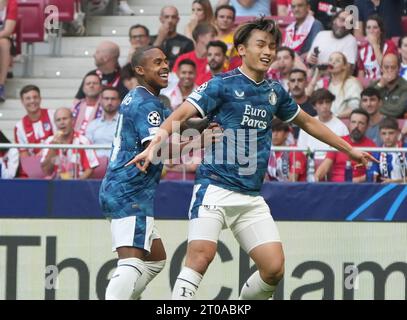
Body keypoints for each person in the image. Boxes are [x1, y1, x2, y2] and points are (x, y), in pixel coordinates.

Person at [127, 17, 376, 300]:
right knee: (201, 257)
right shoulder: (221, 84)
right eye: (261, 45)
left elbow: (309, 123)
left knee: (273, 269)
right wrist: (155, 142)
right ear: (242, 49)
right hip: (215, 187)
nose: (268, 51)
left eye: (272, 45)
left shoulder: (274, 92)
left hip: (250, 197)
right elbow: (181, 114)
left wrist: (349, 149)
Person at [99, 46, 216, 300]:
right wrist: (202, 141)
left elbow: (176, 123)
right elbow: (158, 151)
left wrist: (207, 119)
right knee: (131, 265)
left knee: (155, 260)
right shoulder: (146, 103)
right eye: (156, 63)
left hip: (121, 189)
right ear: (140, 70)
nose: (165, 66)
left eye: (165, 61)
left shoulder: (140, 96)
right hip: (130, 192)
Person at [315, 108, 376, 182]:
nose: (356, 126)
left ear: (367, 126)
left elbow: (373, 173)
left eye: (361, 123)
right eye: (353, 122)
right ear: (349, 124)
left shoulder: (372, 147)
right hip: (335, 187)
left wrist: (352, 182)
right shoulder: (338, 142)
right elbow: (325, 166)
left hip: (359, 188)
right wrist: (316, 178)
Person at [40, 108, 99, 180]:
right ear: (55, 123)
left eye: (65, 119)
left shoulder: (83, 141)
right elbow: (46, 171)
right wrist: (53, 149)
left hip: (78, 183)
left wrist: (76, 183)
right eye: (58, 120)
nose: (62, 122)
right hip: (55, 184)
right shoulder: (49, 142)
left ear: (72, 121)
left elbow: (90, 169)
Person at [14, 85, 56, 158]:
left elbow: (61, 140)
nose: (32, 101)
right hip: (35, 166)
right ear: (22, 101)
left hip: (56, 162)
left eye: (35, 97)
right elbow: (24, 156)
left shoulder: (53, 115)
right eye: (28, 98)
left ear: (40, 99)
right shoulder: (19, 127)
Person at [151, 6, 194, 70]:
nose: (170, 20)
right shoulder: (150, 40)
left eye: (173, 17)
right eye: (166, 17)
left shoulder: (186, 42)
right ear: (161, 19)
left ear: (178, 20)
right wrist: (159, 40)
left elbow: (189, 65)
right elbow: (148, 62)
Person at [357, 15, 398, 80]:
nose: (371, 30)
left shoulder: (389, 45)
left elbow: (386, 67)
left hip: (385, 83)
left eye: (375, 27)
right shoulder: (362, 49)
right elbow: (361, 74)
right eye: (368, 27)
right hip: (369, 86)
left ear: (381, 31)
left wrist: (375, 45)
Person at [86, 87, 121, 158]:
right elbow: (87, 148)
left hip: (118, 164)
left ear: (119, 101)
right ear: (101, 101)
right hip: (96, 166)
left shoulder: (125, 123)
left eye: (113, 99)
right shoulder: (92, 125)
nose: (109, 102)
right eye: (106, 98)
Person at [370, 117, 406, 183]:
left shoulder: (405, 149)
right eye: (384, 133)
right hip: (385, 190)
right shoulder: (376, 152)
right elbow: (373, 177)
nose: (387, 137)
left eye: (391, 133)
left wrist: (394, 181)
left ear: (398, 133)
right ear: (380, 135)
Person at [373, 53, 407, 118]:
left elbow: (397, 111)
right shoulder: (375, 84)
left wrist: (373, 107)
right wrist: (379, 86)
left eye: (393, 67)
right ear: (381, 69)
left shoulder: (405, 87)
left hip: (395, 125)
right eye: (386, 67)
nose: (389, 70)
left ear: (399, 69)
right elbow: (363, 105)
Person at [0, 0, 18, 102]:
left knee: (4, 44)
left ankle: (1, 85)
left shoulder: (12, 2)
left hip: (4, 37)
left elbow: (8, 30)